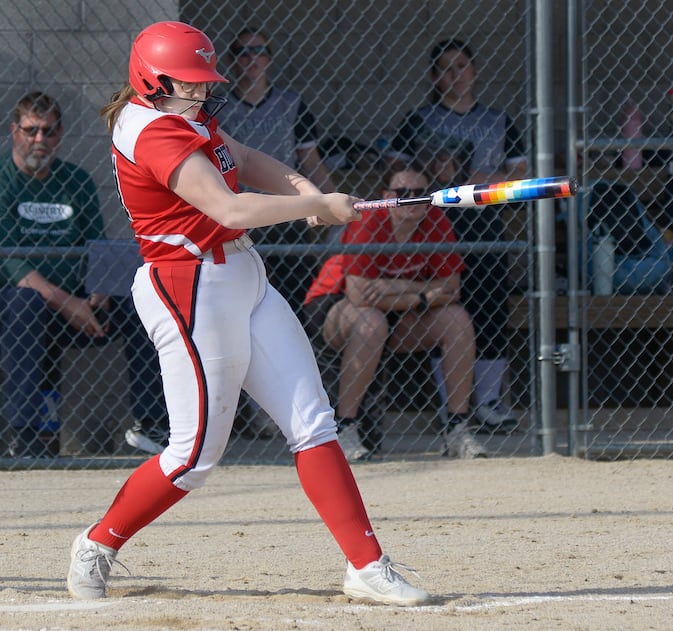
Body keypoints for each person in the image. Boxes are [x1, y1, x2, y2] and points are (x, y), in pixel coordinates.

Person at [66, 21, 429, 607]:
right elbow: (229, 207)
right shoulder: (152, 129)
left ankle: (367, 564)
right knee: (194, 456)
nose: (201, 92)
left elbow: (241, 156)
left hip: (244, 276)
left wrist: (305, 186)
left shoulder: (186, 111)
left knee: (313, 422)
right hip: (190, 288)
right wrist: (313, 204)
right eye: (189, 83)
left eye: (203, 82)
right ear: (151, 81)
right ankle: (98, 542)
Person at [0, 91, 166, 458]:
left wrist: (100, 291)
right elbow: (12, 263)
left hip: (78, 305)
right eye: (31, 131)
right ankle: (24, 435)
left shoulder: (76, 180)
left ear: (60, 134)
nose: (39, 140)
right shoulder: (2, 180)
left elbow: (96, 245)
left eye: (48, 131)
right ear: (14, 131)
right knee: (25, 302)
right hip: (17, 308)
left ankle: (152, 425)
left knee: (139, 299)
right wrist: (69, 303)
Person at [389, 38, 527, 434]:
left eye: (462, 66)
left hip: (484, 223)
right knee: (447, 306)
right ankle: (455, 404)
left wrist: (490, 180)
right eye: (446, 68)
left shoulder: (498, 120)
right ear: (435, 76)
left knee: (489, 305)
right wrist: (433, 177)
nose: (455, 75)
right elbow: (397, 172)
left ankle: (488, 400)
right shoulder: (419, 120)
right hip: (436, 223)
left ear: (474, 70)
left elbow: (521, 173)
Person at [304, 167, 486, 461]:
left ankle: (457, 428)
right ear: (387, 196)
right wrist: (424, 292)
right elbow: (359, 295)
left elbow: (451, 289)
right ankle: (345, 428)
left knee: (456, 319)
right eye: (402, 194)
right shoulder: (369, 220)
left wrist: (402, 289)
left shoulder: (435, 220)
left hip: (406, 309)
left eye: (418, 194)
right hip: (334, 305)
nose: (411, 200)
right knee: (370, 320)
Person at [218, 26, 336, 439]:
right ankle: (244, 414)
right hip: (235, 224)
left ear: (269, 58)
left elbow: (310, 160)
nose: (251, 59)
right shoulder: (218, 107)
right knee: (237, 320)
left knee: (281, 314)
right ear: (231, 60)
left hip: (285, 220)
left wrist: (323, 200)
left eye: (259, 51)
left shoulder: (291, 104)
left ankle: (280, 410)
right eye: (242, 52)